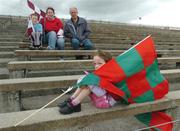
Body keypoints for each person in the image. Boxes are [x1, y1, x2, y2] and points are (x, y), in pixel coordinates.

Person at [58, 50, 119, 115]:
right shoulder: (99, 73)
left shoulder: (110, 74)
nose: (96, 66)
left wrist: (89, 81)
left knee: (90, 83)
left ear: (108, 64)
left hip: (106, 101)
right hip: (98, 99)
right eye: (95, 64)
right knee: (86, 79)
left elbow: (106, 89)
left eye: (99, 63)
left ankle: (75, 104)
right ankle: (72, 99)